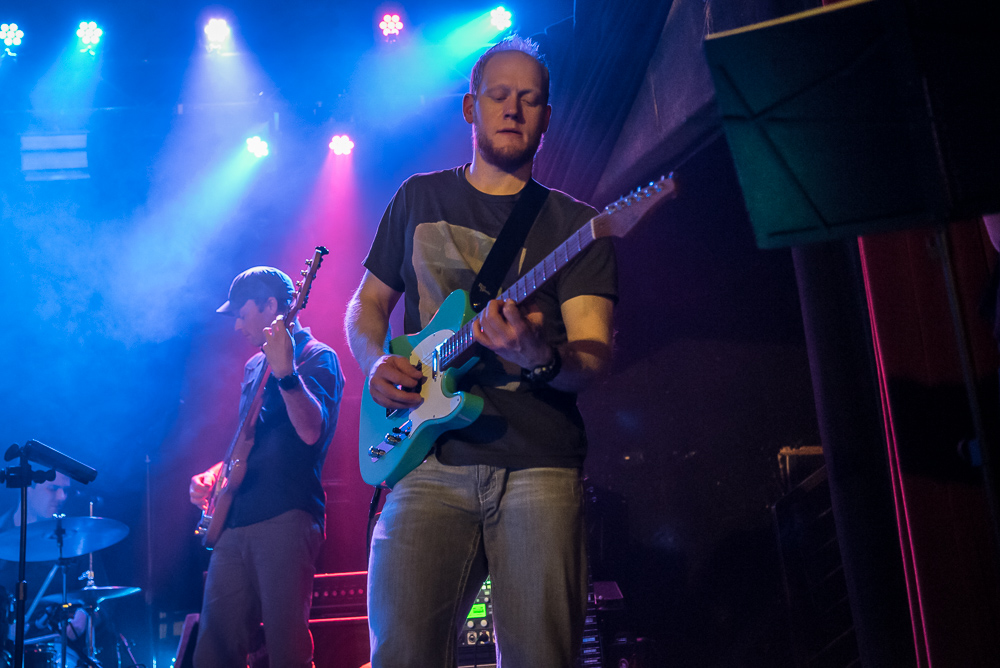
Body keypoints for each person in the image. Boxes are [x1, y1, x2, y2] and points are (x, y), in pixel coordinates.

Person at [344, 36, 617, 667]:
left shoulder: (580, 227)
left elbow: (594, 359)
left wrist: (538, 357)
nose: (514, 110)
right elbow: (367, 305)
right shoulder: (419, 199)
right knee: (401, 655)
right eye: (500, 96)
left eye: (530, 100)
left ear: (547, 118)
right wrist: (374, 361)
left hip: (539, 465)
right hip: (426, 460)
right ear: (471, 108)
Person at [188, 266, 344, 668]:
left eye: (242, 313)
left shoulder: (317, 357)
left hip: (286, 516)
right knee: (213, 648)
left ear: (271, 306)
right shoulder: (252, 367)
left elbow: (312, 432)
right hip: (235, 520)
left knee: (286, 649)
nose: (237, 324)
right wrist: (218, 474)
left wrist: (286, 374)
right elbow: (253, 439)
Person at [0, 472, 91, 659]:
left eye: (66, 491)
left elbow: (98, 595)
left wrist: (86, 615)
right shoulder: (2, 532)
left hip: (61, 652)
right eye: (53, 488)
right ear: (27, 487)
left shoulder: (73, 538)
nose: (62, 497)